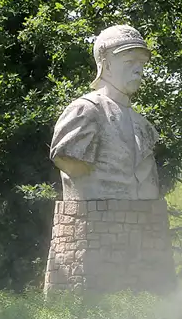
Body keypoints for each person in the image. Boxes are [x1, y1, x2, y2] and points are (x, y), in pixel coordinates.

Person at [49, 24, 160, 201]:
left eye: (142, 63)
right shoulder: (85, 111)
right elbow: (68, 159)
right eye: (130, 61)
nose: (139, 69)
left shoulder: (143, 124)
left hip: (144, 223)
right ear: (106, 65)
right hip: (96, 222)